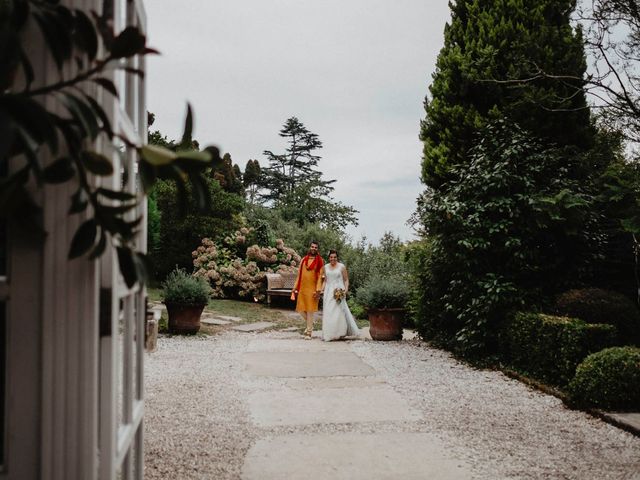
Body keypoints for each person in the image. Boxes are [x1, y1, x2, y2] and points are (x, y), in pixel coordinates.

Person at [317, 250, 360, 341]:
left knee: (338, 312)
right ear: (329, 258)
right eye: (331, 257)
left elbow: (346, 280)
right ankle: (329, 334)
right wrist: (322, 290)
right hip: (328, 292)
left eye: (335, 257)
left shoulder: (341, 267)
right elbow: (325, 280)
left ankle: (339, 333)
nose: (333, 259)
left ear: (337, 257)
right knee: (328, 312)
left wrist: (345, 290)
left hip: (339, 291)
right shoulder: (325, 267)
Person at [292, 240, 324, 338]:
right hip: (303, 288)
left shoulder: (320, 261)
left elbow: (320, 277)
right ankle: (311, 323)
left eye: (316, 247)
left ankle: (309, 332)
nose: (314, 248)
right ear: (310, 247)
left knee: (310, 311)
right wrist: (295, 287)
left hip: (313, 289)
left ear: (317, 249)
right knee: (300, 309)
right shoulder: (303, 260)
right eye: (312, 247)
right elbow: (299, 275)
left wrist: (318, 290)